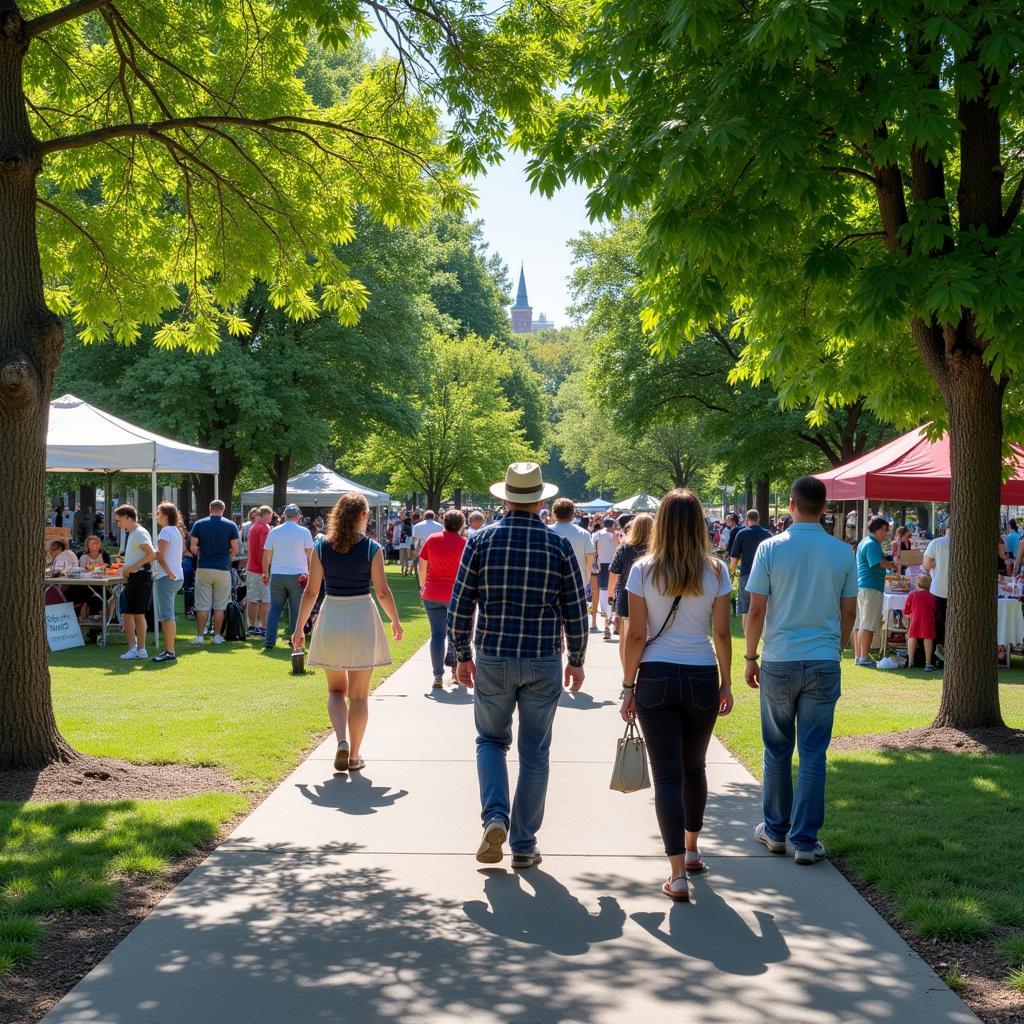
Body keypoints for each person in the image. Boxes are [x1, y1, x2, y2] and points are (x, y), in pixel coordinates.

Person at [449, 462, 587, 869]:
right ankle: (524, 842)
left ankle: (495, 816)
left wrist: (461, 653)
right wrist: (576, 659)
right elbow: (576, 609)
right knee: (535, 751)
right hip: (543, 657)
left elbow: (461, 603)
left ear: (505, 498)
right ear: (540, 500)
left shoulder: (480, 541)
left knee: (490, 741)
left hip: (493, 655)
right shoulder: (558, 546)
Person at [620, 490, 733, 901]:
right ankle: (691, 850)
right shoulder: (716, 571)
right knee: (694, 767)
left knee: (666, 775)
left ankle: (676, 875)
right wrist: (727, 681)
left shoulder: (643, 570)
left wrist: (628, 685)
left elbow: (636, 633)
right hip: (701, 672)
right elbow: (720, 632)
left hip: (656, 675)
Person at [744, 476, 857, 865]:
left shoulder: (770, 548)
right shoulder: (843, 552)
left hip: (779, 658)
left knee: (776, 749)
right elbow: (849, 612)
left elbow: (756, 608)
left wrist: (749, 656)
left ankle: (775, 830)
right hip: (822, 658)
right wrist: (836, 648)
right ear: (824, 507)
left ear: (791, 504)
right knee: (813, 752)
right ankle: (805, 840)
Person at [291, 493, 403, 773]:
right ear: (364, 515)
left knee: (335, 690)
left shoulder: (320, 545)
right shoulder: (372, 548)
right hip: (362, 617)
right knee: (360, 696)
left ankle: (340, 740)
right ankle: (354, 756)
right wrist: (396, 621)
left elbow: (311, 592)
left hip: (331, 616)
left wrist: (298, 629)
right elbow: (382, 592)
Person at [419, 510, 468, 689]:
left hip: (433, 592)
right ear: (461, 524)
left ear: (443, 521)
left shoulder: (432, 539)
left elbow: (422, 565)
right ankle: (455, 670)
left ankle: (437, 675)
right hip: (456, 595)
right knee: (457, 634)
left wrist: (422, 586)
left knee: (437, 635)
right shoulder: (465, 543)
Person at [607, 513, 654, 671]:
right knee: (650, 639)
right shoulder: (657, 549)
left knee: (626, 640)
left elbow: (614, 572)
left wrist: (610, 594)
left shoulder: (624, 547)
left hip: (627, 596)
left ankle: (627, 676)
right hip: (652, 597)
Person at [263, 504, 314, 650]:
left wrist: (266, 572)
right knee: (296, 610)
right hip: (297, 575)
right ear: (298, 516)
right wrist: (311, 571)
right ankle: (295, 641)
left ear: (284, 516)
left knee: (275, 609)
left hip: (277, 574)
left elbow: (267, 554)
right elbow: (310, 555)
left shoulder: (274, 531)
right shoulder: (304, 532)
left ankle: (269, 641)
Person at [189, 499, 240, 645]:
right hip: (222, 568)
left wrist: (200, 555)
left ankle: (200, 636)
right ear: (223, 510)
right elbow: (235, 548)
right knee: (220, 605)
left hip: (204, 566)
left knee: (202, 604)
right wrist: (228, 557)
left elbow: (193, 546)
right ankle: (217, 636)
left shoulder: (199, 524)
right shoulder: (231, 525)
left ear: (210, 508)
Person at [114, 504, 156, 660]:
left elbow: (151, 554)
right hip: (135, 577)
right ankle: (135, 648)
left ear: (128, 517)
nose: (118, 524)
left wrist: (132, 567)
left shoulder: (139, 532)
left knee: (136, 614)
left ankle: (139, 649)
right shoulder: (132, 533)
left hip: (140, 577)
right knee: (129, 614)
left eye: (119, 520)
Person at [852, 516, 896, 668]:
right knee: (868, 624)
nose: (885, 534)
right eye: (883, 530)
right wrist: (893, 565)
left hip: (862, 587)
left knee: (859, 624)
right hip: (870, 587)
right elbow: (878, 563)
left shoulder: (865, 541)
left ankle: (859, 656)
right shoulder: (871, 544)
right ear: (876, 529)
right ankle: (864, 657)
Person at [729, 509, 773, 630]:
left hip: (746, 574)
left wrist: (731, 573)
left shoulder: (741, 534)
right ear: (758, 519)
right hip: (765, 575)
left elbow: (734, 558)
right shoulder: (768, 535)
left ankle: (748, 639)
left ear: (747, 520)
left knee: (746, 608)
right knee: (765, 607)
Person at [151, 502, 184, 663]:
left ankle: (170, 651)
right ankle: (169, 650)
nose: (157, 516)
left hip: (167, 577)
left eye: (159, 513)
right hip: (176, 576)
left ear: (166, 515)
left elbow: (160, 556)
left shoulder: (165, 531)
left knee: (166, 615)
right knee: (167, 614)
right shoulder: (176, 531)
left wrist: (168, 572)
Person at [549, 498, 596, 590]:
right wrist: (586, 578)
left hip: (551, 583)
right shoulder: (584, 533)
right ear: (572, 514)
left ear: (554, 513)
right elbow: (590, 559)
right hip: (577, 582)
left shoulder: (546, 531)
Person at [244, 506, 272, 637]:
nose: (271, 519)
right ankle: (264, 627)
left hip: (251, 567)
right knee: (265, 599)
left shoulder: (253, 527)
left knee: (252, 599)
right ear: (266, 515)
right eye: (270, 516)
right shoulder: (264, 528)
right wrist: (266, 569)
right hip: (261, 569)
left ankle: (252, 626)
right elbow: (264, 549)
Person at [924, 525, 951, 653]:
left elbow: (926, 565)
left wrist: (936, 563)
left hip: (938, 588)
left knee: (938, 623)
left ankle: (937, 651)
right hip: (957, 590)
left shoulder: (935, 543)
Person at [903, 572, 938, 671]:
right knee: (928, 638)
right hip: (928, 621)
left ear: (917, 584)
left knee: (912, 638)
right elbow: (935, 609)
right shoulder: (931, 596)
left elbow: (907, 610)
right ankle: (928, 662)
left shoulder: (913, 594)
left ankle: (910, 661)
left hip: (915, 620)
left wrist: (907, 620)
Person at [593, 516, 618, 639]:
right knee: (614, 594)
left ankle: (607, 625)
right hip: (615, 566)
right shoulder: (616, 535)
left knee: (604, 594)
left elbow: (594, 551)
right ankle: (615, 625)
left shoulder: (598, 534)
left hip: (602, 566)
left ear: (603, 524)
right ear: (613, 524)